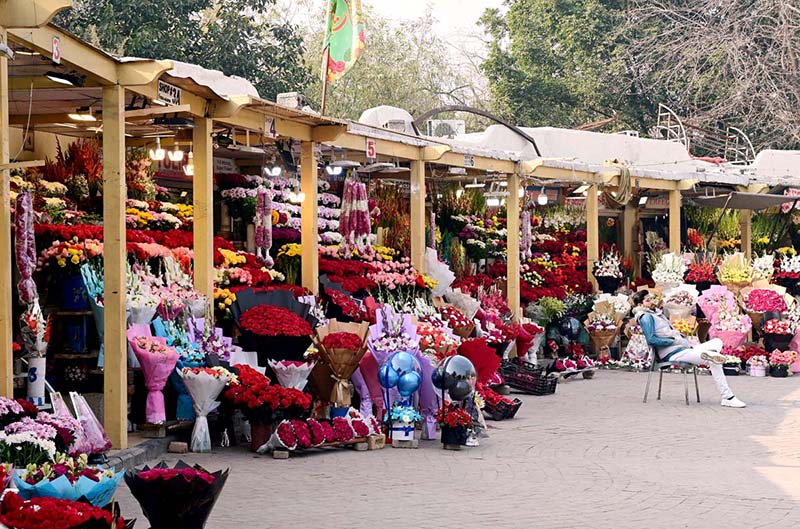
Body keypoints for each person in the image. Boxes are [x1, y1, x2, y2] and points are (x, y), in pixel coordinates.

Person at [631, 290, 746, 408]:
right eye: (647, 300)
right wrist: (671, 341)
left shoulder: (655, 314)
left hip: (683, 348)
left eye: (651, 298)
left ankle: (707, 354)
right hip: (672, 353)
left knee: (717, 342)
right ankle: (728, 397)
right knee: (713, 361)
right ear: (640, 305)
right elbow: (651, 340)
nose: (652, 301)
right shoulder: (645, 317)